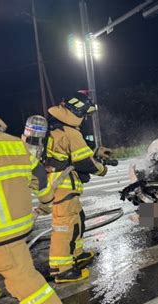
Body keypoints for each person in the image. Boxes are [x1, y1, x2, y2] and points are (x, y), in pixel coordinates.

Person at [0, 119, 69, 304]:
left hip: (2, 231)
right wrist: (47, 203)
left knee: (22, 279)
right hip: (15, 225)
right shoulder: (16, 145)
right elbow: (41, 178)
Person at [45, 91, 110, 283]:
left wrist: (97, 152)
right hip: (62, 186)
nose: (84, 119)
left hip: (64, 186)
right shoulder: (70, 131)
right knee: (65, 226)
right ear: (78, 111)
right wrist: (102, 169)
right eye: (84, 114)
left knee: (77, 219)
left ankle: (77, 254)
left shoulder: (59, 127)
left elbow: (74, 153)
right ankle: (61, 268)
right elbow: (84, 162)